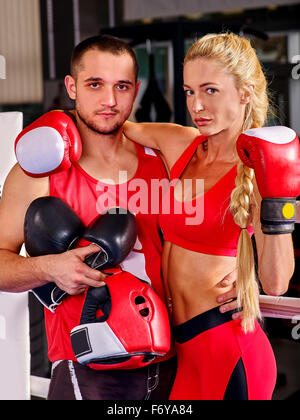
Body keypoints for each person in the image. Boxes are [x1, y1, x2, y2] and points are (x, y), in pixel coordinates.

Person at [0, 34, 237, 400]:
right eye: (95, 84)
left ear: (136, 90)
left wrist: (243, 270)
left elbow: (234, 185)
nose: (109, 101)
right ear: (72, 86)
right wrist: (50, 269)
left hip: (171, 360)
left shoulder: (163, 158)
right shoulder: (39, 174)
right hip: (87, 368)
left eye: (121, 86)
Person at [122, 32, 297, 400]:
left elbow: (277, 282)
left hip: (227, 348)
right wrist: (59, 123)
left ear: (245, 92)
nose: (196, 105)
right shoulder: (181, 143)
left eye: (210, 90)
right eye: (189, 92)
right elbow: (110, 123)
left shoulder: (255, 171)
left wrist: (278, 197)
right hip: (178, 348)